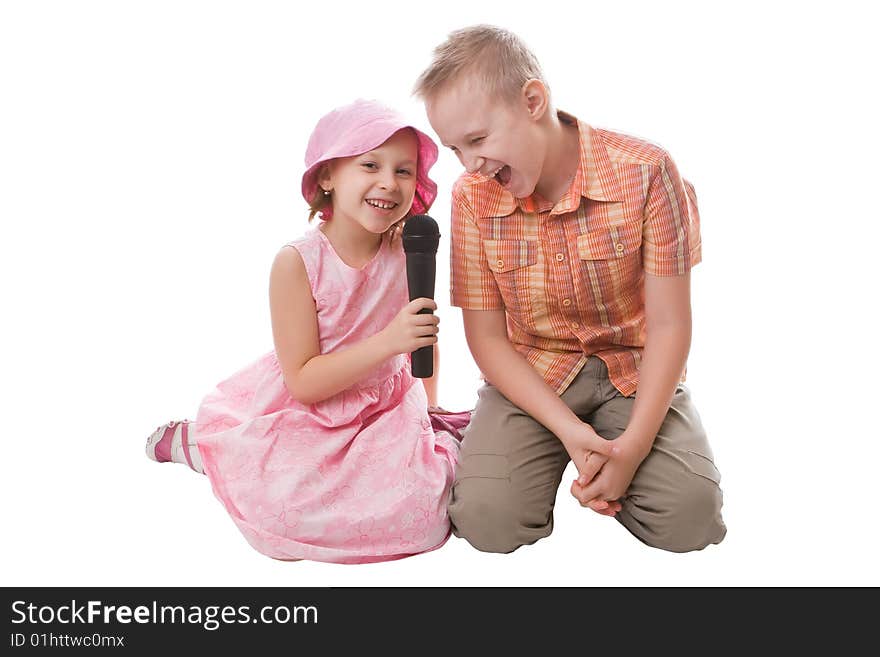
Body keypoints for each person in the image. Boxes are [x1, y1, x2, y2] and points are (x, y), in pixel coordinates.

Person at [412, 25, 727, 553]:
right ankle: (547, 454)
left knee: (690, 523)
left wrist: (631, 450)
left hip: (634, 372)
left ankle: (616, 476)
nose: (470, 164)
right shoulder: (471, 198)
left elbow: (671, 324)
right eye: (455, 149)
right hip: (534, 373)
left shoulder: (648, 172)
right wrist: (570, 432)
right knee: (488, 524)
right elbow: (487, 340)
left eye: (479, 140)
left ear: (532, 101)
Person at [145, 99, 469, 564]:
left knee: (425, 513)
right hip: (313, 405)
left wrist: (428, 407)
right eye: (370, 165)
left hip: (385, 404)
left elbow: (423, 336)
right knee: (279, 506)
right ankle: (206, 446)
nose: (388, 182)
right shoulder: (298, 263)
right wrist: (389, 342)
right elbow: (303, 379)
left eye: (404, 171)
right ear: (327, 178)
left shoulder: (408, 251)